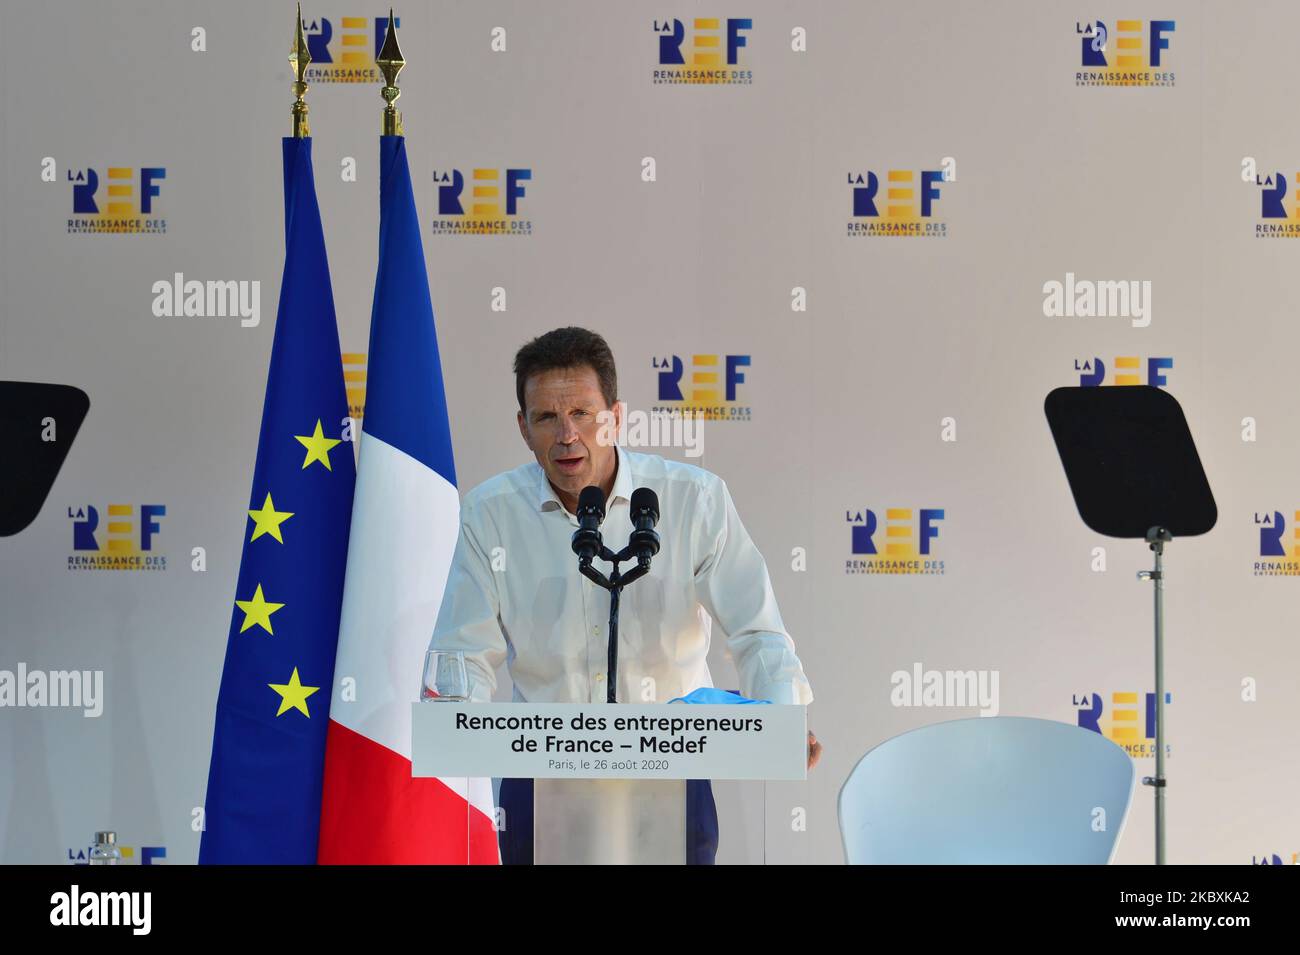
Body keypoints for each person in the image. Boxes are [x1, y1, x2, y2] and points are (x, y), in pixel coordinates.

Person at [430, 326, 819, 864]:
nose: (568, 435)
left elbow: (757, 631)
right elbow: (464, 656)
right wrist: (455, 729)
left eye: (583, 414)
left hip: (671, 776)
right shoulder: (490, 514)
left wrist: (781, 719)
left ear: (615, 415)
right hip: (540, 781)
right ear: (523, 428)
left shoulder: (693, 500)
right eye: (546, 417)